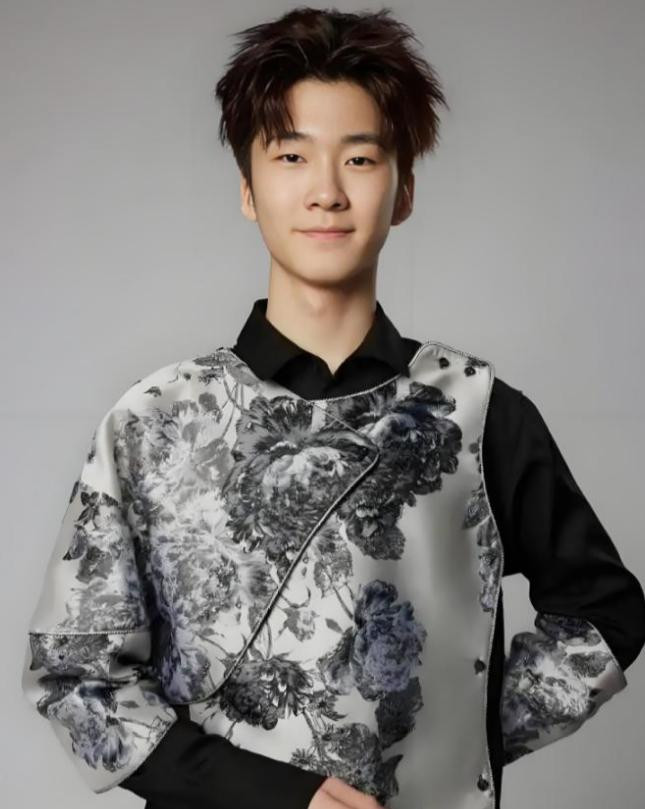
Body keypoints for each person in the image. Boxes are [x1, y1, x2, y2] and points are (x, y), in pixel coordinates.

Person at [21, 6, 645, 809]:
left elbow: (603, 613)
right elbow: (75, 675)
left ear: (403, 189)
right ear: (248, 189)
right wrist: (270, 794)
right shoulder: (154, 421)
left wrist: (454, 742)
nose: (325, 192)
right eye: (290, 156)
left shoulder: (477, 412)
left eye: (359, 157)